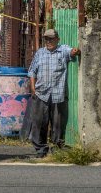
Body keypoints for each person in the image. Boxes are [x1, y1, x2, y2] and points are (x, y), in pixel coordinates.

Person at [28, 28, 80, 158]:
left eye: (51, 38)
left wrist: (75, 51)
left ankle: (57, 149)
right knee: (39, 123)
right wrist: (33, 88)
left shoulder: (62, 50)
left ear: (57, 39)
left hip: (58, 93)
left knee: (58, 124)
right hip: (41, 93)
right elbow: (32, 71)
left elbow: (72, 52)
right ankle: (41, 150)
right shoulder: (40, 53)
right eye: (46, 39)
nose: (48, 41)